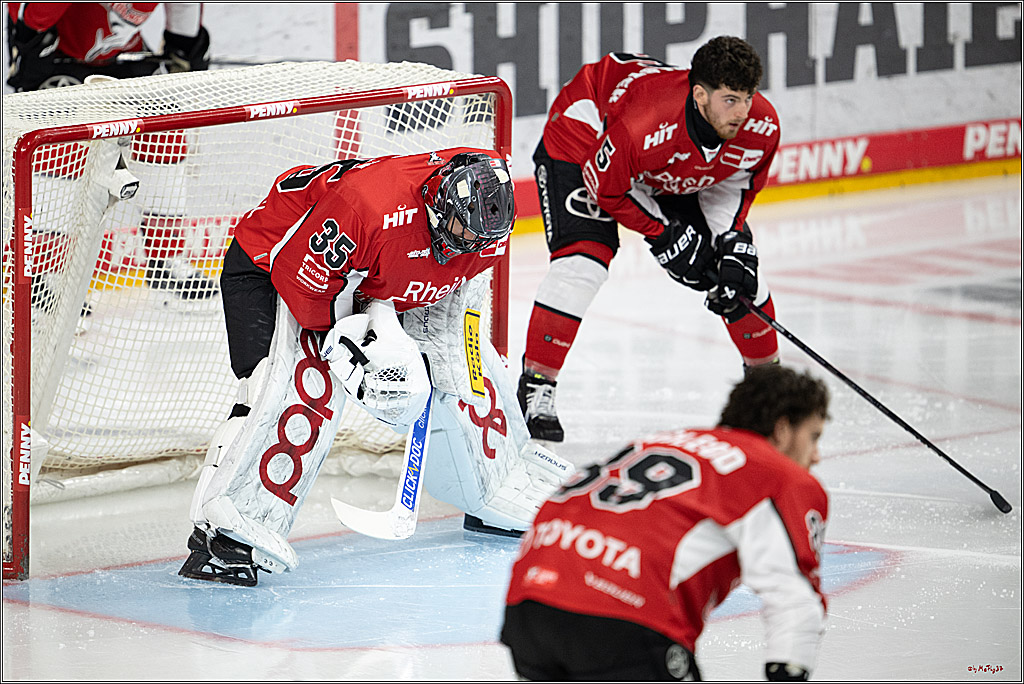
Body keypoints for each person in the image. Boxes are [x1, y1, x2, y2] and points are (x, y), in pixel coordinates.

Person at [177, 148, 574, 586]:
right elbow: (309, 298)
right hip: (277, 269)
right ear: (439, 206)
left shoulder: (483, 222)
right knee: (300, 388)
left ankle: (494, 484)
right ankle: (222, 535)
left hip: (373, 278)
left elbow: (463, 282)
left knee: (463, 368)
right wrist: (369, 353)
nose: (470, 242)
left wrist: (438, 357)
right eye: (461, 230)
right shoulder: (366, 206)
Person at [519, 36, 781, 442]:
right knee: (582, 263)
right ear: (700, 95)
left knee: (737, 273)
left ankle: (768, 391)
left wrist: (729, 237)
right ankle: (537, 384)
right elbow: (606, 188)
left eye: (748, 98)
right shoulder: (645, 122)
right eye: (731, 100)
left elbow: (734, 186)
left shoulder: (761, 124)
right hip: (584, 138)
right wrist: (664, 235)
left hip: (650, 161)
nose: (743, 112)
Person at [501, 363, 831, 681]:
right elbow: (793, 595)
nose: (816, 456)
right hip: (620, 618)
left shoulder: (662, 441)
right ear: (783, 428)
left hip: (529, 607)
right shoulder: (780, 475)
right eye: (813, 436)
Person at [7, 2, 216, 301]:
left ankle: (165, 262)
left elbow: (183, 14)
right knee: (59, 158)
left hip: (124, 55)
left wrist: (184, 46)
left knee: (165, 136)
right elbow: (30, 15)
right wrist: (30, 42)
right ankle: (42, 277)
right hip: (58, 53)